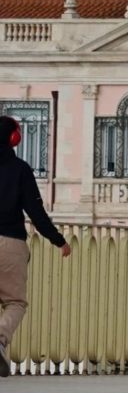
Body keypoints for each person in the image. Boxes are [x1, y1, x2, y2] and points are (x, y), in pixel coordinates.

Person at [0, 115, 71, 377]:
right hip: (10, 243)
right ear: (14, 138)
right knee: (15, 302)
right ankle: (0, 338)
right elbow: (35, 212)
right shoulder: (20, 169)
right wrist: (58, 240)